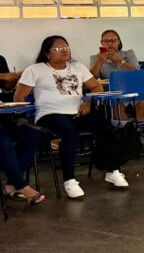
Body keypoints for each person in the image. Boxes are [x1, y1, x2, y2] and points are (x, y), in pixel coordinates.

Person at [15, 36, 133, 199]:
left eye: (66, 47)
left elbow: (96, 86)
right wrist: (23, 117)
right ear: (47, 53)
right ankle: (69, 180)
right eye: (58, 48)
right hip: (49, 114)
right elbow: (19, 95)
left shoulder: (78, 67)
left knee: (105, 126)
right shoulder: (35, 69)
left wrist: (88, 101)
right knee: (68, 131)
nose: (64, 51)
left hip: (77, 112)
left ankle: (112, 170)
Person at [89, 29, 144, 120]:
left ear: (119, 42)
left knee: (143, 102)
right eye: (106, 41)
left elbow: (137, 73)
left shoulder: (129, 53)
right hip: (112, 92)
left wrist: (119, 61)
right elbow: (91, 79)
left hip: (133, 89)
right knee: (116, 104)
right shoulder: (95, 58)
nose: (110, 44)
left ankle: (138, 128)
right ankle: (125, 128)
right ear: (102, 43)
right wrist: (99, 61)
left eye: (113, 40)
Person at [1, 120, 45, 205]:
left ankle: (11, 185)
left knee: (34, 135)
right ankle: (22, 186)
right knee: (4, 143)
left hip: (6, 123)